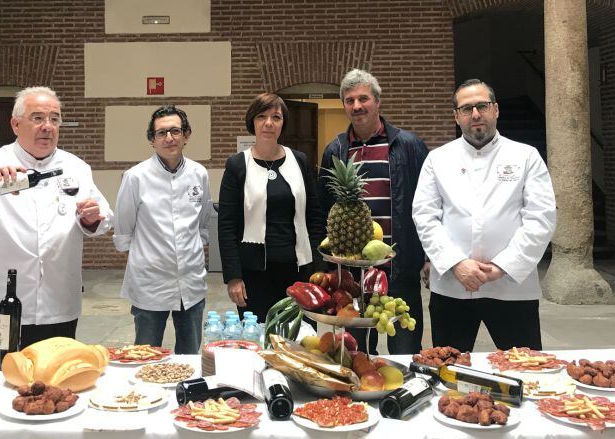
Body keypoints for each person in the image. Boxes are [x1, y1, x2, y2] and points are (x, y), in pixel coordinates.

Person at [0, 86, 113, 348]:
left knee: (53, 381)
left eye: (54, 118)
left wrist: (92, 218)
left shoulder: (75, 167)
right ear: (15, 124)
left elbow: (104, 218)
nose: (47, 126)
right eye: (37, 118)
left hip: (57, 302)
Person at [412, 79, 557, 352]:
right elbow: (425, 216)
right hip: (453, 285)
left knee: (524, 371)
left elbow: (541, 218)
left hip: (511, 287)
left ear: (496, 110)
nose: (475, 114)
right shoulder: (438, 160)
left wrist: (502, 266)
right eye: (466, 109)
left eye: (482, 105)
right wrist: (456, 263)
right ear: (456, 116)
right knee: (449, 371)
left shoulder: (526, 157)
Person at [318, 69, 429, 355]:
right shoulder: (336, 150)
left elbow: (429, 204)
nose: (357, 106)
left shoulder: (409, 146)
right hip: (353, 275)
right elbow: (323, 207)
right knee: (356, 353)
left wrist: (428, 257)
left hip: (400, 268)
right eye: (349, 100)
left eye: (363, 98)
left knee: (405, 350)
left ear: (377, 101)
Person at [219, 93, 325, 323]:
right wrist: (233, 277)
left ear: (283, 123)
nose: (269, 123)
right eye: (262, 116)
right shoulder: (237, 165)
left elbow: (314, 216)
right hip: (254, 275)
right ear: (252, 122)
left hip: (300, 271)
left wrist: (319, 267)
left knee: (300, 341)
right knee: (259, 343)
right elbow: (226, 226)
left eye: (276, 117)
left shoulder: (300, 161)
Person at [113, 105, 211, 354]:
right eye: (161, 133)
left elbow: (202, 224)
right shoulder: (135, 177)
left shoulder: (199, 174)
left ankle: (186, 394)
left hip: (191, 281)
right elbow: (123, 231)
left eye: (175, 131)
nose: (169, 138)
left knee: (189, 356)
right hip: (150, 282)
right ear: (152, 140)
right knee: (145, 354)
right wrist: (149, 258)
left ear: (186, 135)